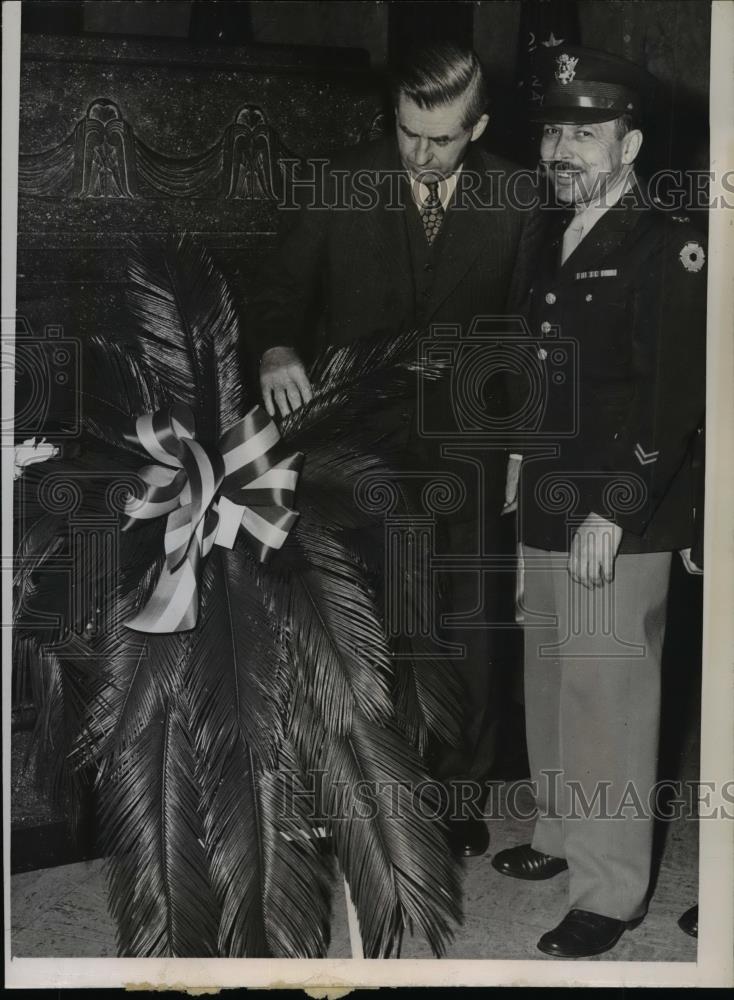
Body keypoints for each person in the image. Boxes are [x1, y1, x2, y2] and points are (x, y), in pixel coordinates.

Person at [248, 41, 539, 858]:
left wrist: (518, 451)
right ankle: (363, 795)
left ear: (476, 125)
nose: (419, 152)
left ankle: (452, 794)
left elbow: (523, 332)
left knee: (465, 625)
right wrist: (275, 349)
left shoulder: (519, 196)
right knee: (365, 620)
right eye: (408, 130)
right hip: (359, 446)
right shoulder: (340, 182)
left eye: (440, 138)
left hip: (470, 447)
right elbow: (275, 293)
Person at [493, 46, 707, 957]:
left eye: (585, 131)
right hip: (546, 493)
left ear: (631, 142)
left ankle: (611, 892)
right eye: (553, 130)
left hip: (618, 507)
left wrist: (615, 506)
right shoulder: (556, 230)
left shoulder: (666, 241)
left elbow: (674, 395)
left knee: (607, 692)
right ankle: (560, 832)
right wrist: (516, 480)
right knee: (551, 675)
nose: (562, 147)